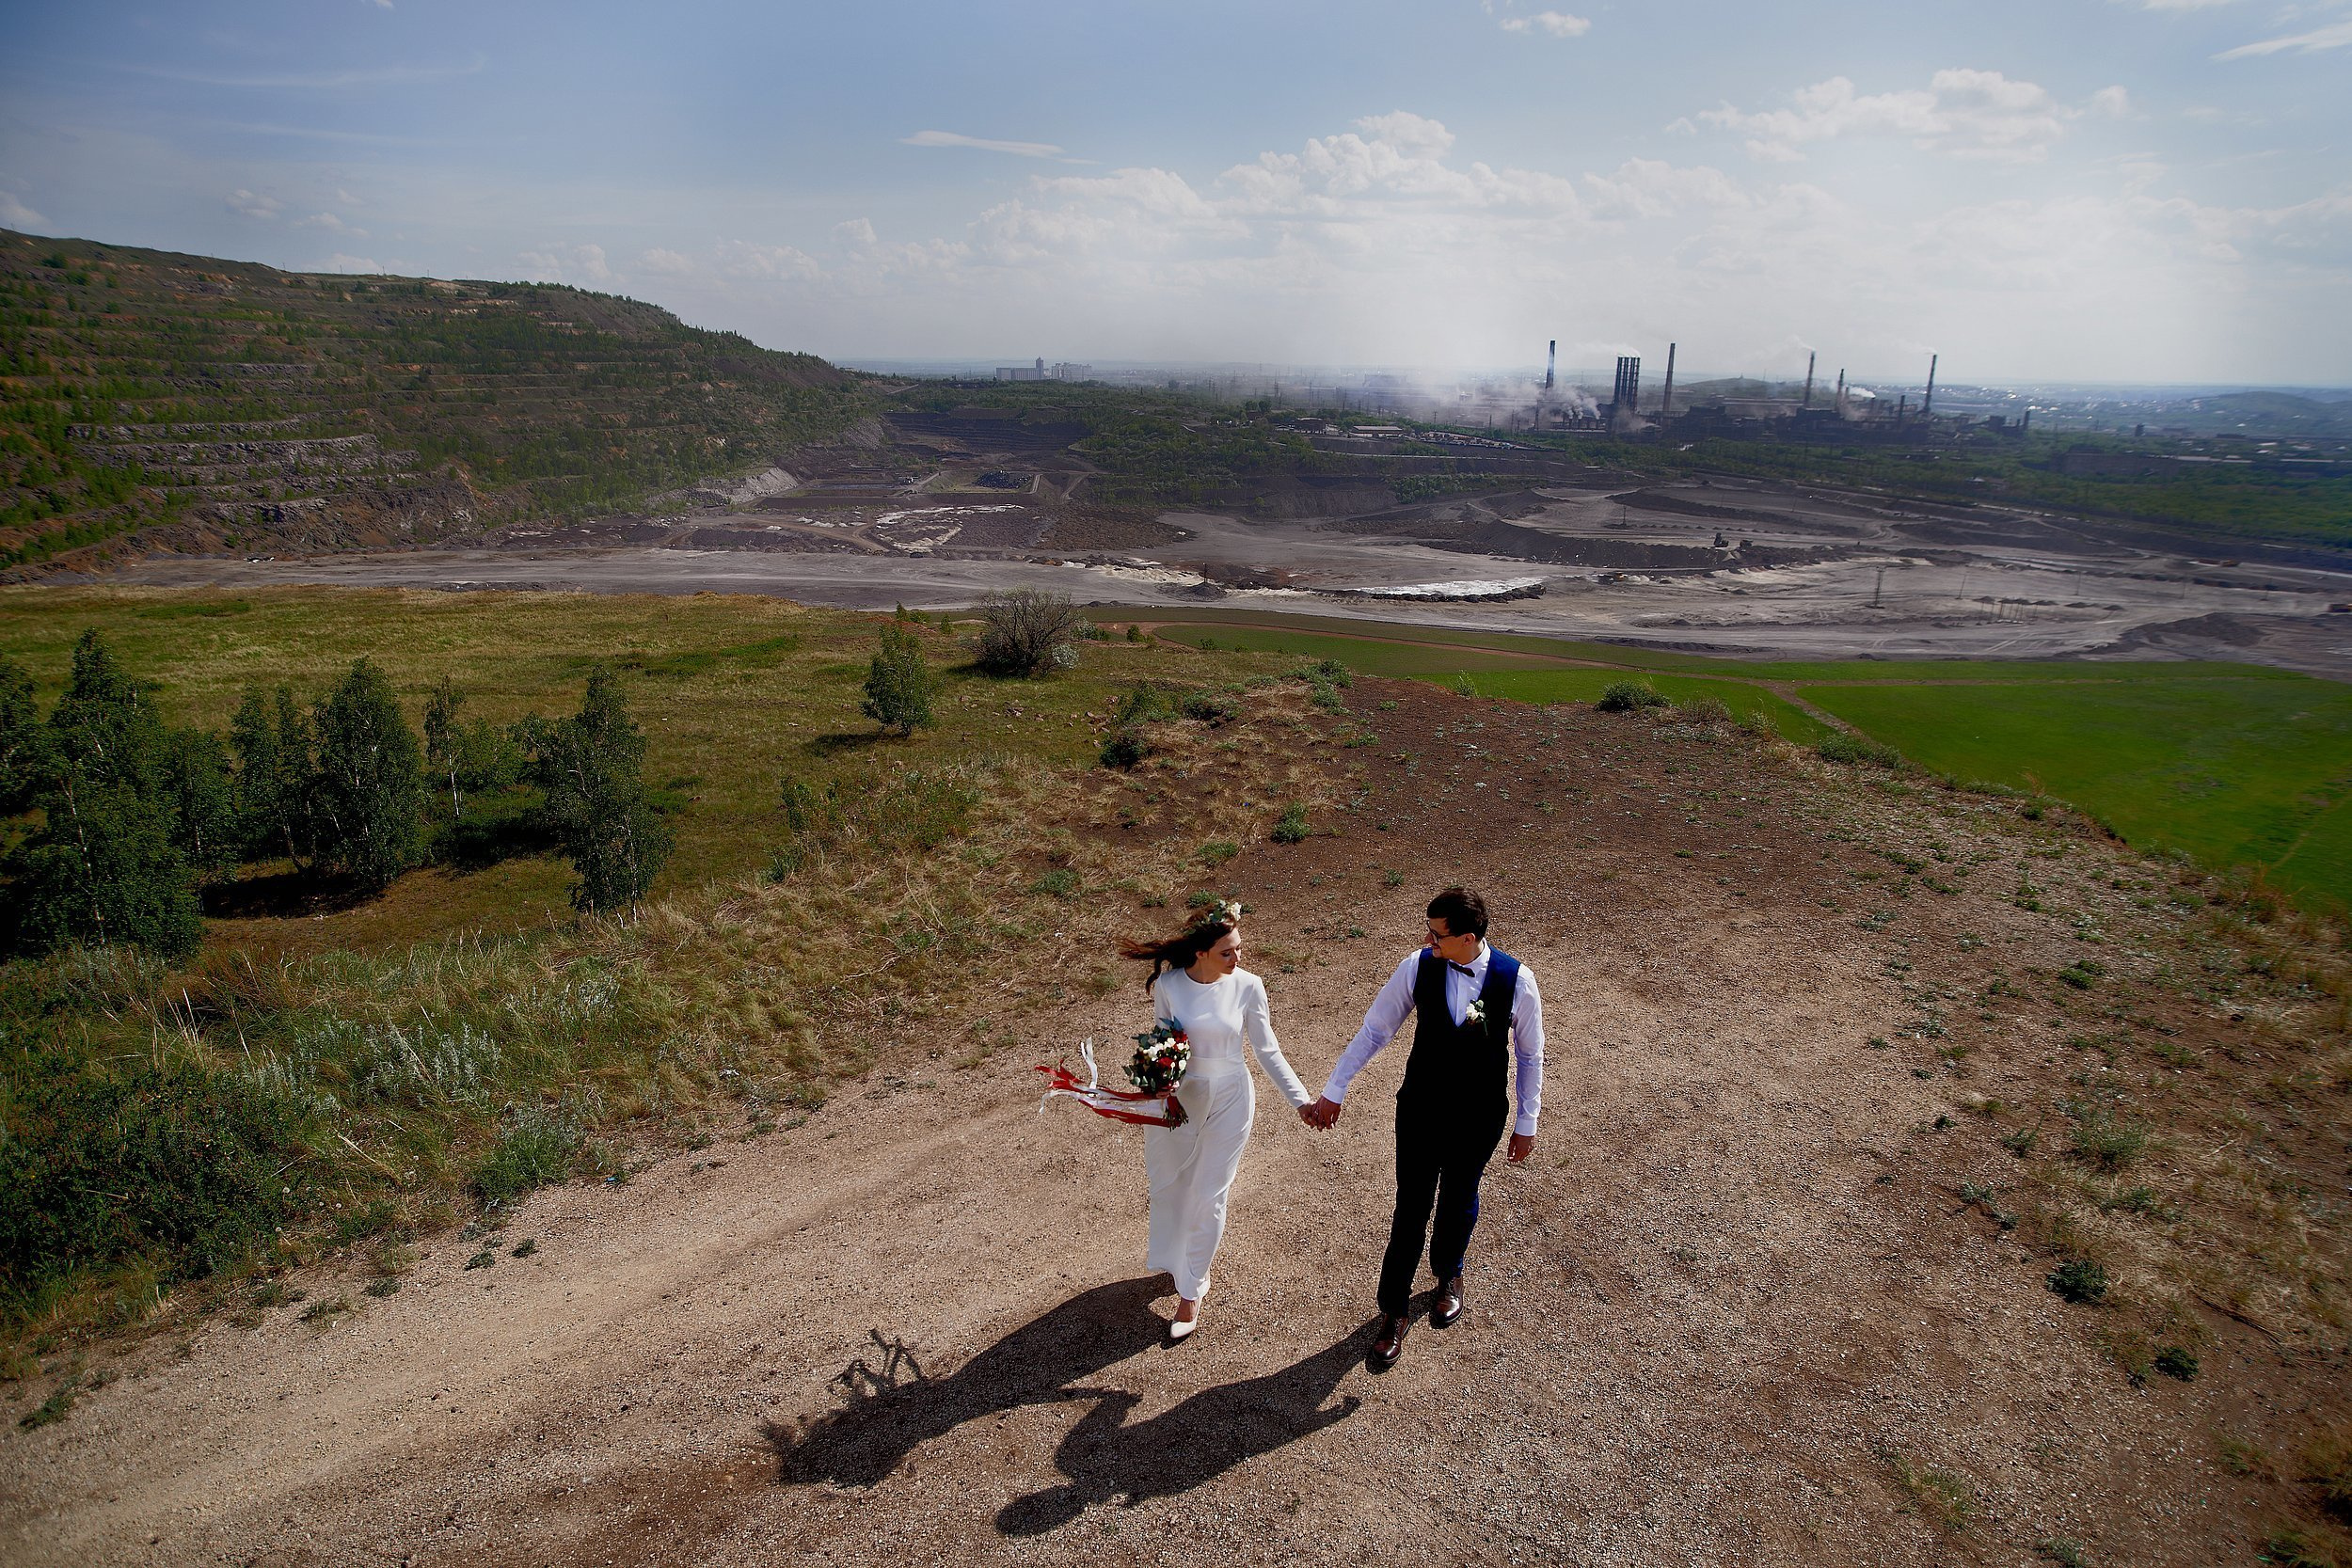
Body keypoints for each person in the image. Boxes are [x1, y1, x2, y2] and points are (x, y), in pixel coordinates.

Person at [1299, 887, 1544, 1370]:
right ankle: (1393, 1309)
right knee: (1411, 1207)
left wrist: (1526, 1121)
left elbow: (1530, 1055)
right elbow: (1376, 1029)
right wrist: (1335, 1088)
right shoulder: (1418, 966)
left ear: (1468, 937)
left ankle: (1449, 1273)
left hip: (1479, 1116)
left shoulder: (1517, 981)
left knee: (1460, 1196)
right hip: (1420, 1111)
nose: (1428, 941)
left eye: (1437, 934)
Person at [1119, 902, 1314, 1340]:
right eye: (1228, 952)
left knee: (1209, 1195)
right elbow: (1165, 1040)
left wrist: (1301, 1101)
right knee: (1176, 1184)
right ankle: (1179, 1260)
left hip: (1231, 1099)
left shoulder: (1248, 986)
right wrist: (1158, 1080)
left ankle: (1191, 1291)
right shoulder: (1169, 985)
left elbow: (1267, 1050)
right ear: (1201, 953)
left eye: (1239, 948)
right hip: (1182, 1101)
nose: (1238, 958)